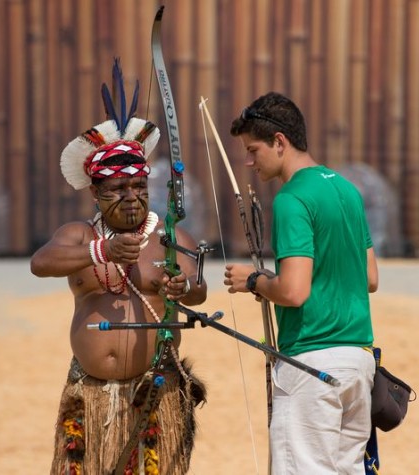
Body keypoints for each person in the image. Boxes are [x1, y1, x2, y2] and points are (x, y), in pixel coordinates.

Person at [31, 63, 207, 475]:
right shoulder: (78, 236)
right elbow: (40, 264)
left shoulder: (169, 236)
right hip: (88, 396)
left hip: (154, 395)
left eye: (139, 187)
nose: (131, 198)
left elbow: (199, 289)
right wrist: (103, 251)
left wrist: (181, 287)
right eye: (117, 189)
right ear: (95, 192)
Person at [223, 91, 379, 474]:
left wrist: (255, 280)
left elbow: (293, 291)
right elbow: (370, 278)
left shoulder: (292, 199)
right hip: (358, 364)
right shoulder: (346, 189)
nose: (248, 161)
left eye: (253, 149)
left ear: (280, 142)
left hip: (312, 365)